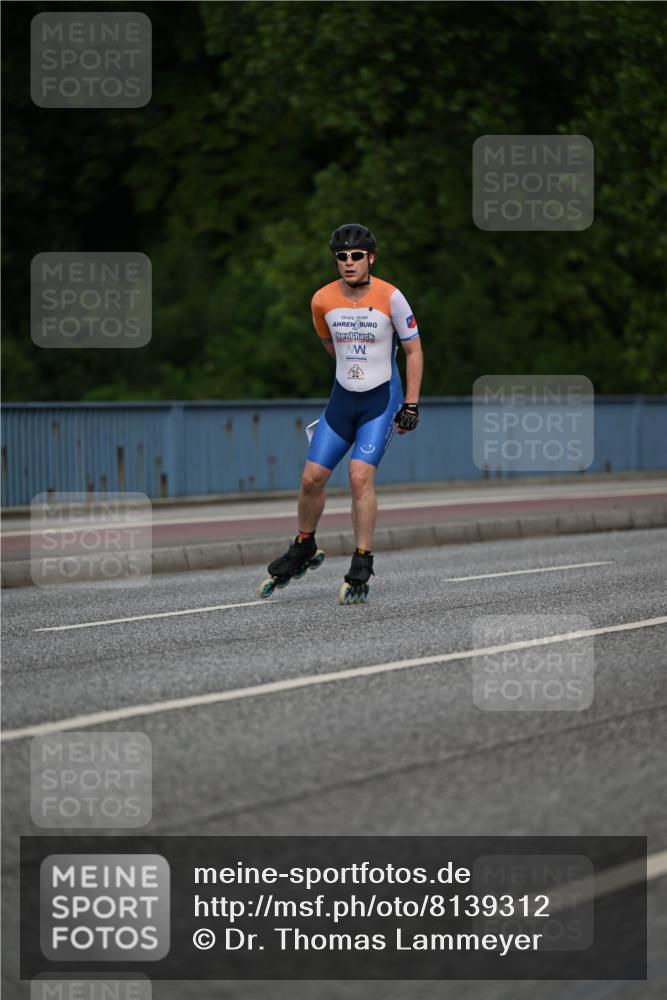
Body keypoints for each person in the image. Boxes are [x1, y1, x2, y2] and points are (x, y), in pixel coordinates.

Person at [261, 223, 423, 603]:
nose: (348, 263)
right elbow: (329, 344)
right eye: (341, 257)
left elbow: (414, 351)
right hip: (342, 400)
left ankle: (362, 560)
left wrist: (411, 404)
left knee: (358, 476)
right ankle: (303, 545)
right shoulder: (321, 300)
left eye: (356, 256)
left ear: (371, 258)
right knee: (311, 478)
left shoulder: (392, 297)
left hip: (379, 402)